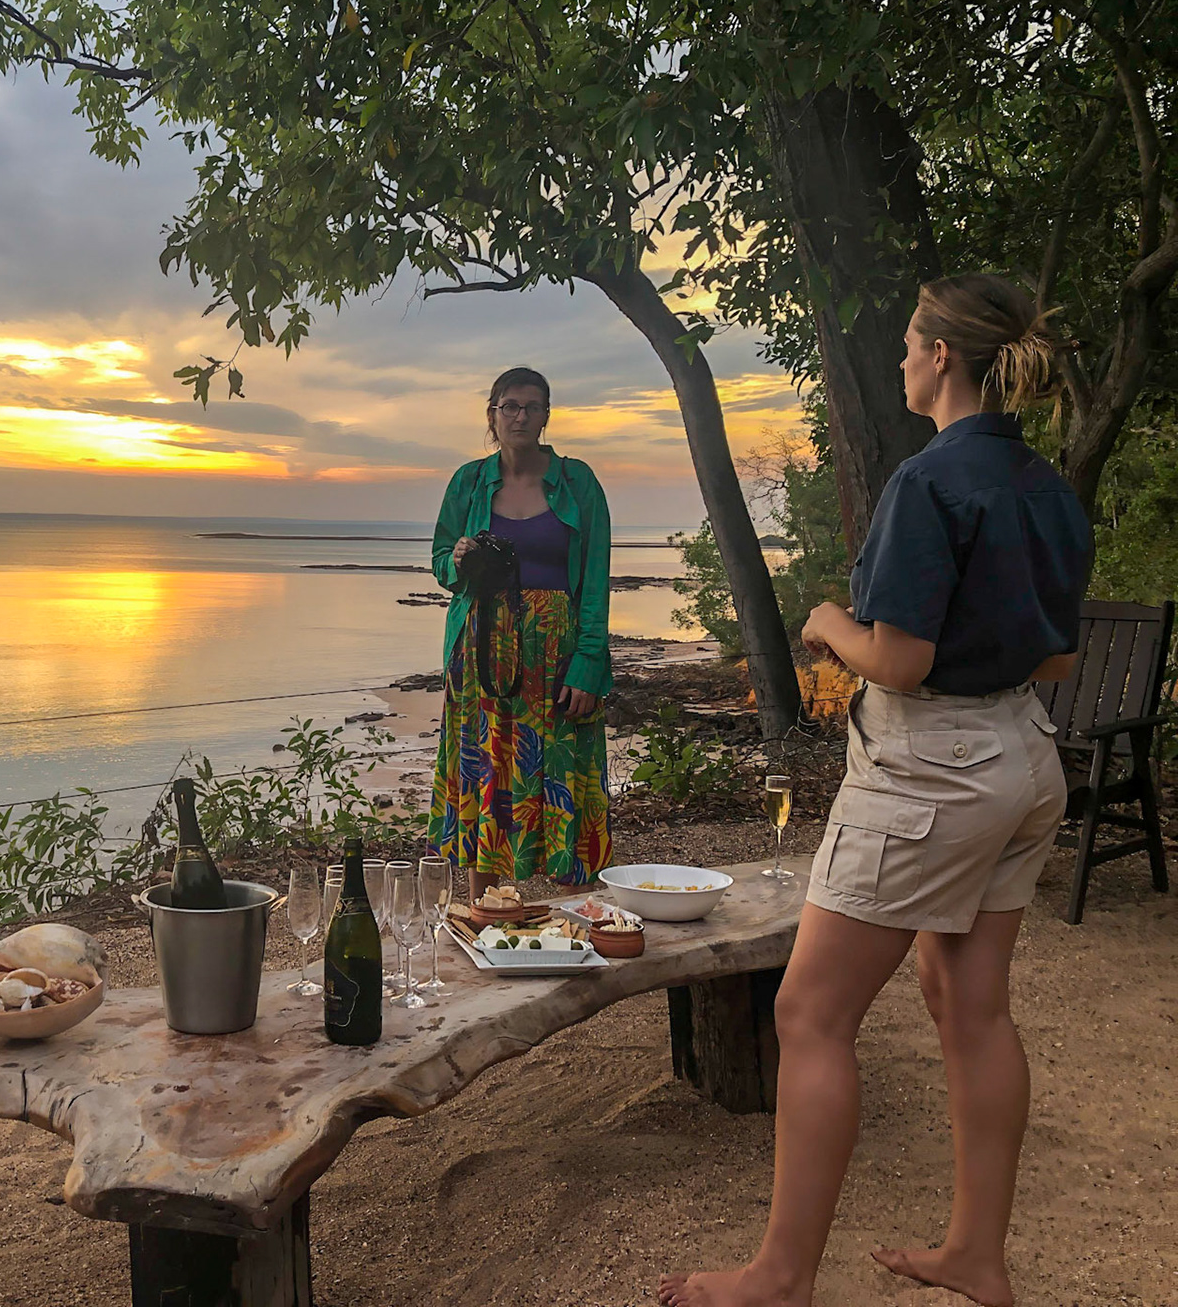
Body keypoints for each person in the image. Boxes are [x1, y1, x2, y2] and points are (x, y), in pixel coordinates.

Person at [659, 273, 1094, 1307]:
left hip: (932, 769)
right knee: (968, 1003)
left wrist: (823, 622)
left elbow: (896, 659)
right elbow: (1056, 660)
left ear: (944, 357)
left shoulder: (927, 484)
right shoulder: (1047, 490)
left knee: (810, 1013)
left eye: (908, 343)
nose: (900, 359)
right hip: (1024, 759)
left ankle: (779, 1275)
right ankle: (976, 1255)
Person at [429, 367, 613, 899]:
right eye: (509, 406)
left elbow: (596, 583)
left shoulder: (578, 482)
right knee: (485, 771)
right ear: (492, 414)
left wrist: (589, 664)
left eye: (532, 407)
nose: (520, 416)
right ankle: (483, 911)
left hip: (556, 654)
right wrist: (457, 559)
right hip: (483, 650)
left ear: (546, 415)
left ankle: (575, 920)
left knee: (560, 770)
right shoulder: (469, 481)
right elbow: (441, 563)